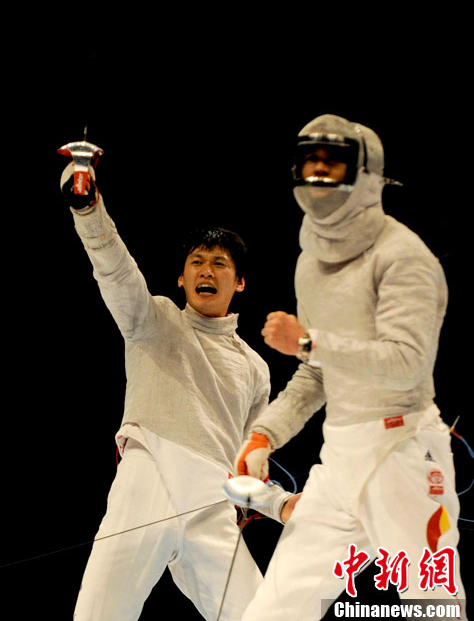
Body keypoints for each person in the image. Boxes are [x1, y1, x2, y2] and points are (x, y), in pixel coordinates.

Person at [235, 114, 467, 620]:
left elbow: (407, 363)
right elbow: (318, 371)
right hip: (339, 460)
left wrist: (308, 341)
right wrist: (265, 434)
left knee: (433, 608)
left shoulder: (404, 257)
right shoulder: (309, 262)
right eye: (309, 161)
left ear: (364, 174)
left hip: (403, 452)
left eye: (332, 162)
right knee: (275, 609)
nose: (318, 171)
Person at [57, 147, 298, 621]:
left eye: (220, 263)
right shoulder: (153, 320)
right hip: (149, 478)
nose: (207, 270)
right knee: (100, 615)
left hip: (213, 504)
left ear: (240, 282)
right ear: (182, 279)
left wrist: (280, 503)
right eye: (197, 262)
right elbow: (115, 269)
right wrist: (87, 209)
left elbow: (246, 464)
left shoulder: (255, 368)